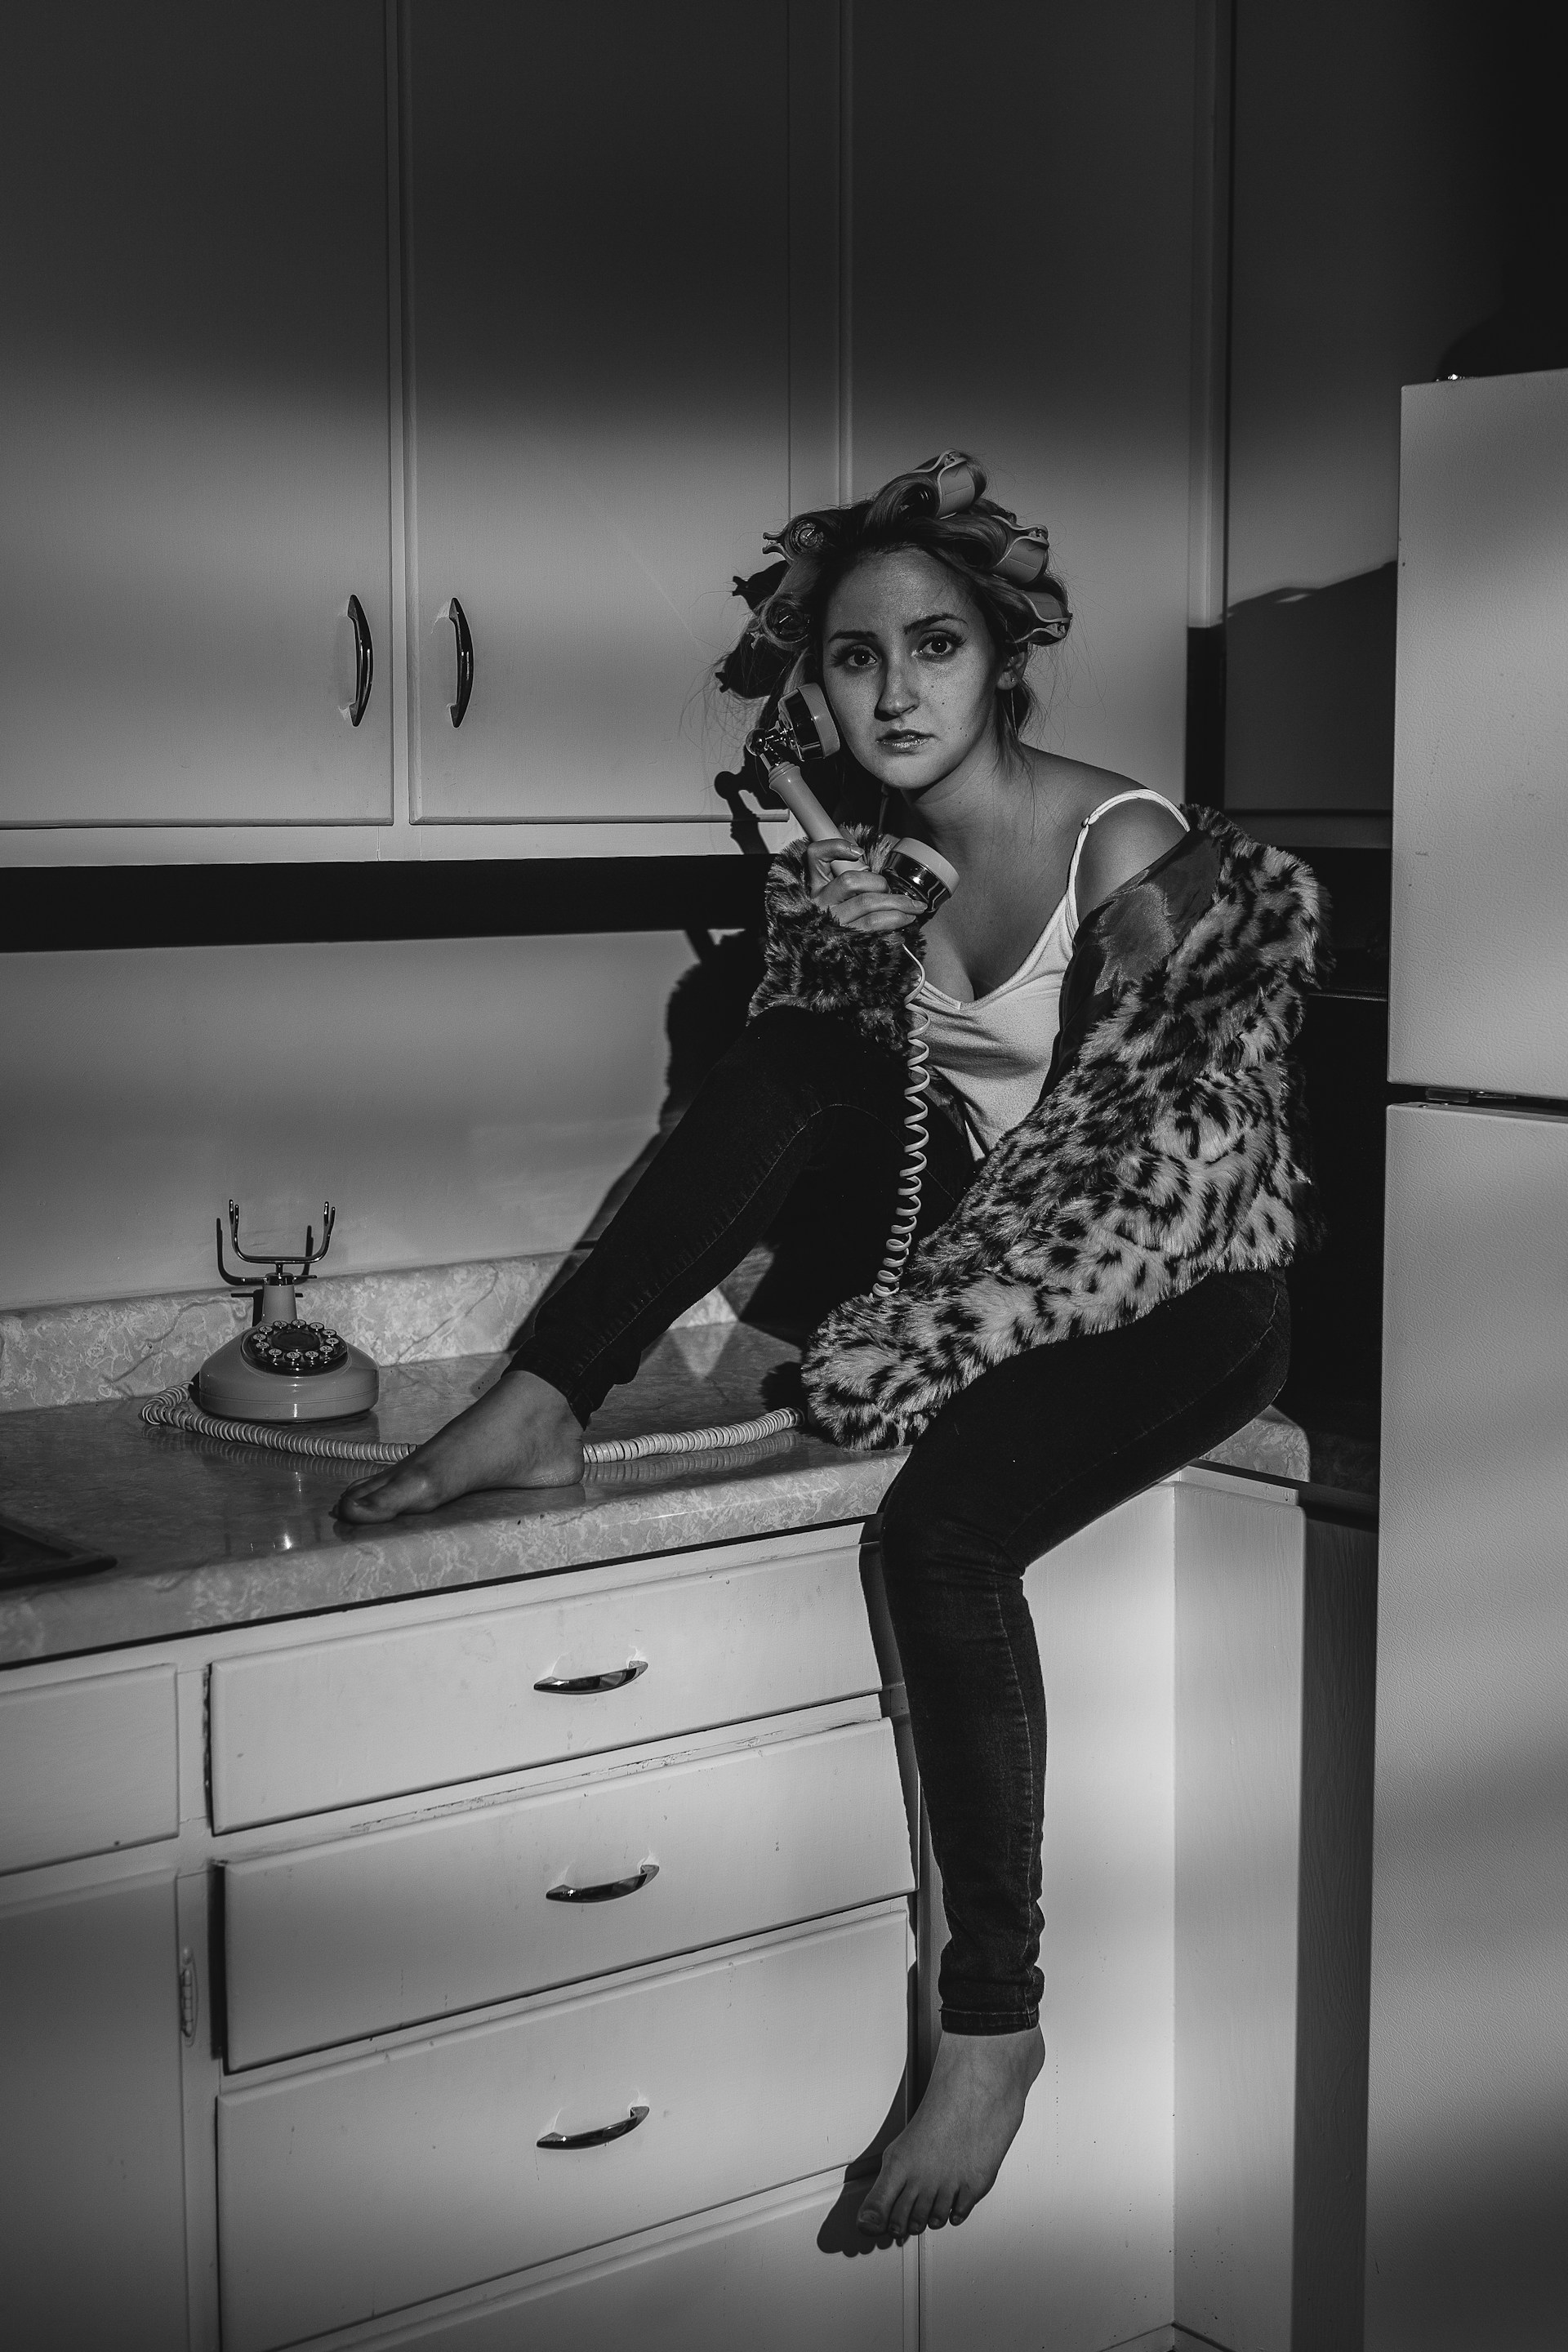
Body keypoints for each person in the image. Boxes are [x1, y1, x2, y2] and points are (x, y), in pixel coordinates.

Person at [336, 453, 1321, 2245]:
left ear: (999, 659)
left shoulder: (1132, 851)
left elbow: (1162, 1184)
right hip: (996, 1269)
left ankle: (996, 2028)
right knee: (785, 1063)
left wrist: (925, 1344)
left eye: (933, 646)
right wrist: (829, 889)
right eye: (854, 658)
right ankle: (540, 1401)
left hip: (1188, 1288)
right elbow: (837, 1117)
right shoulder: (868, 847)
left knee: (942, 1529)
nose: (894, 691)